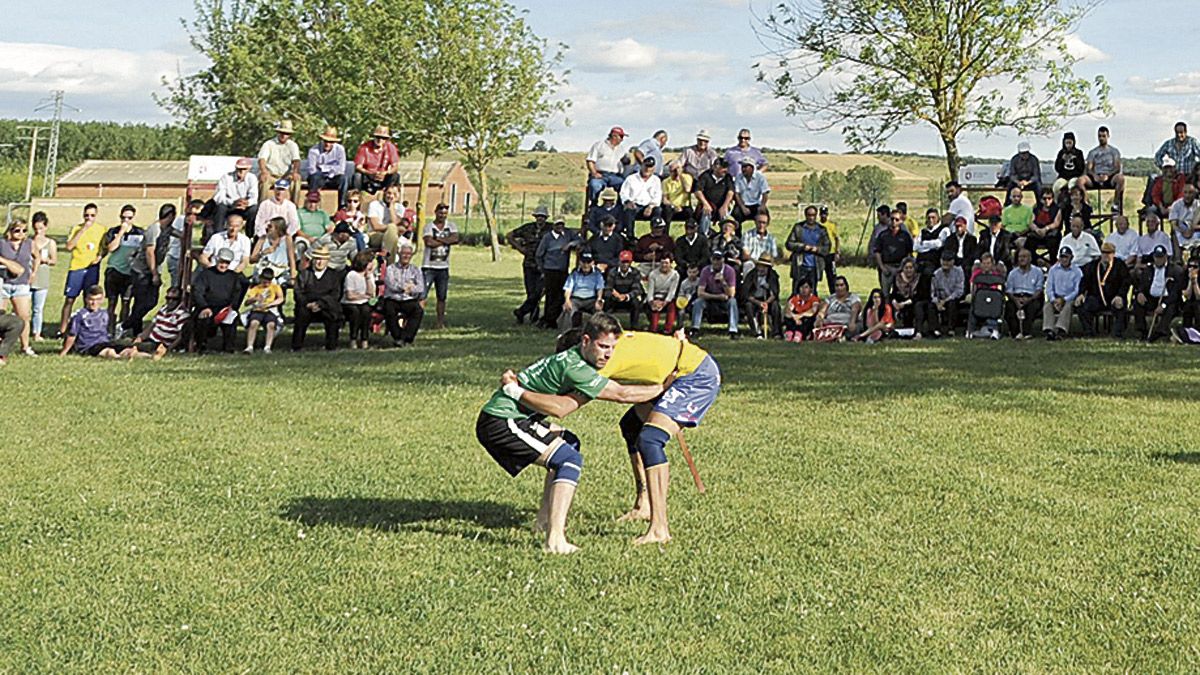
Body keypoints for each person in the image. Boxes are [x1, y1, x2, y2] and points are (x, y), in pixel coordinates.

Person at [477, 312, 669, 553]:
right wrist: (663, 387)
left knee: (569, 443)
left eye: (613, 347)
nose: (608, 354)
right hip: (502, 421)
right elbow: (621, 395)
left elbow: (567, 404)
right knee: (569, 459)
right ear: (586, 341)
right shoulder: (575, 367)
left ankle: (544, 521)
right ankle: (555, 540)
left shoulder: (575, 360)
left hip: (513, 418)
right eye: (602, 346)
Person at [520, 323, 723, 546]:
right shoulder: (609, 342)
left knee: (650, 439)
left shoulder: (598, 362)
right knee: (631, 426)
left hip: (694, 375)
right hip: (672, 372)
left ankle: (659, 529)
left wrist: (521, 396)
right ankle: (643, 505)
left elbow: (568, 404)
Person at [119, 203, 172, 338]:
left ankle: (131, 328)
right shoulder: (154, 229)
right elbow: (149, 252)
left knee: (150, 302)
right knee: (142, 302)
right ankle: (126, 327)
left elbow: (180, 234)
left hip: (153, 270)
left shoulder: (168, 229)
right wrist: (154, 273)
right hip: (142, 271)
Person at [59, 204, 105, 340]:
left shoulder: (101, 229)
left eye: (92, 215)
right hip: (77, 267)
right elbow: (69, 246)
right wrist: (83, 230)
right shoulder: (76, 228)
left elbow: (105, 247)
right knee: (69, 299)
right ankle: (62, 330)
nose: (89, 218)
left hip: (92, 268)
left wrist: (100, 256)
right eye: (86, 215)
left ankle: (86, 328)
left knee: (90, 299)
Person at [99, 204, 143, 333]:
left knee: (126, 302)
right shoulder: (113, 231)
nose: (126, 220)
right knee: (112, 302)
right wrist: (121, 233)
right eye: (124, 217)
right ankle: (109, 328)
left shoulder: (139, 233)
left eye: (129, 218)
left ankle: (122, 329)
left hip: (129, 273)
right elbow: (111, 248)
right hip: (114, 270)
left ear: (133, 217)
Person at [191, 248, 244, 353]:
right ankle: (202, 346)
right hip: (207, 306)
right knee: (203, 317)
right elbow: (197, 292)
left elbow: (237, 294)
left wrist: (231, 307)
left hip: (225, 308)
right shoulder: (206, 274)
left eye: (227, 263)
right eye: (222, 262)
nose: (223, 265)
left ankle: (228, 348)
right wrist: (204, 307)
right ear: (217, 260)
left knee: (232, 317)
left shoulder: (233, 276)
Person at [291, 246, 342, 351]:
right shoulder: (304, 274)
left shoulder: (334, 275)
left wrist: (320, 304)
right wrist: (308, 304)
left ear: (327, 261)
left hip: (326, 306)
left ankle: (331, 346)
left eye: (322, 259)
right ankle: (296, 346)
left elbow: (335, 294)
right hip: (306, 305)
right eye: (317, 259)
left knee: (333, 316)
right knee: (301, 315)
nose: (319, 262)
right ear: (313, 260)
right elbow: (298, 293)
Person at [535, 216, 583, 329]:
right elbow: (539, 254)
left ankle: (550, 318)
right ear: (553, 225)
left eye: (562, 224)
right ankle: (548, 320)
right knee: (551, 296)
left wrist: (570, 244)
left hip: (562, 270)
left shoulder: (567, 234)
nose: (560, 227)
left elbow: (580, 240)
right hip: (550, 270)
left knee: (561, 296)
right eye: (557, 225)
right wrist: (543, 269)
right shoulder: (547, 238)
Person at [1077, 242, 1131, 338]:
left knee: (1121, 308)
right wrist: (1081, 293)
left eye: (1109, 253)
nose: (1106, 255)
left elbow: (1125, 283)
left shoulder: (1120, 265)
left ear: (1113, 253)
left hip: (1114, 297)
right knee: (1083, 306)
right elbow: (1084, 281)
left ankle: (1117, 334)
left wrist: (1120, 295)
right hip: (1097, 298)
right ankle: (1089, 332)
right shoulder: (1093, 266)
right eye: (1103, 253)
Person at [1133, 245, 1184, 342]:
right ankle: (1142, 331)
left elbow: (1175, 293)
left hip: (1167, 300)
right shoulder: (1148, 270)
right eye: (1156, 257)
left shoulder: (1175, 270)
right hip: (1152, 298)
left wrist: (1163, 305)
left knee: (1171, 308)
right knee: (1137, 303)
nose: (1158, 260)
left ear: (1165, 257)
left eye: (1161, 257)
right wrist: (1140, 293)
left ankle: (1160, 332)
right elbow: (1142, 286)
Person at [509, 206, 550, 324]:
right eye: (538, 216)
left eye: (542, 217)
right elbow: (510, 235)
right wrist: (520, 248)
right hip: (529, 264)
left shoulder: (550, 228)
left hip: (543, 265)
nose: (540, 219)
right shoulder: (527, 228)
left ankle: (521, 312)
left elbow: (566, 231)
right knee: (531, 291)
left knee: (539, 292)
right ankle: (533, 316)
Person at [1, 219, 36, 357]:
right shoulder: (2, 243)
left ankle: (25, 346)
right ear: (10, 230)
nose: (21, 233)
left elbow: (37, 257)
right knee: (1, 316)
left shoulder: (29, 244)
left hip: (21, 283)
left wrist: (34, 272)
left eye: (24, 230)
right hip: (3, 283)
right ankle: (3, 347)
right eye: (17, 230)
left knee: (24, 316)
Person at [381, 243, 426, 347]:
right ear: (399, 254)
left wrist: (410, 290)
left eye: (408, 254)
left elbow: (420, 288)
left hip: (408, 299)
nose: (406, 256)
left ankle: (407, 337)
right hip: (393, 299)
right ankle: (397, 337)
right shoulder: (391, 269)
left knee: (418, 310)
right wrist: (405, 287)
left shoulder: (415, 270)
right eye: (404, 253)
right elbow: (391, 284)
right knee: (389, 310)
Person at [422, 203, 459, 329]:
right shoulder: (428, 226)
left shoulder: (451, 225)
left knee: (442, 296)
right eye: (440, 213)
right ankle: (416, 319)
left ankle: (440, 322)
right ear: (435, 212)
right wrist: (445, 240)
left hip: (443, 267)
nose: (442, 215)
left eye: (444, 213)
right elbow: (428, 242)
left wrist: (438, 239)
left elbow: (455, 238)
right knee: (422, 295)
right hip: (429, 266)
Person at [60, 285, 119, 359]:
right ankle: (119, 357)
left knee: (130, 349)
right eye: (91, 299)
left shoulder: (104, 313)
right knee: (109, 352)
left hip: (105, 343)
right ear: (86, 299)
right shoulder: (80, 315)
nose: (94, 303)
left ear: (102, 299)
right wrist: (64, 351)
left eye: (98, 299)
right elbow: (72, 335)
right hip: (89, 346)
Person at [691, 251, 739, 338]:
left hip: (724, 300)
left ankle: (733, 331)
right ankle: (695, 329)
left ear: (723, 260)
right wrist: (717, 297)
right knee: (698, 302)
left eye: (718, 259)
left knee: (733, 302)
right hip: (709, 299)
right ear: (711, 260)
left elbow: (731, 293)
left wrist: (723, 282)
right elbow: (700, 293)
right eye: (714, 259)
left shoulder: (730, 271)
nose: (716, 262)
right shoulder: (705, 271)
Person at [784, 206, 830, 295]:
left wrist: (817, 249)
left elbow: (827, 247)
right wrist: (802, 247)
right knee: (797, 291)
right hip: (800, 264)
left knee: (812, 293)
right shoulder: (798, 228)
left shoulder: (821, 230)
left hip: (815, 266)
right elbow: (789, 244)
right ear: (805, 215)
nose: (811, 217)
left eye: (813, 215)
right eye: (809, 215)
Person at [257, 120, 302, 204]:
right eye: (282, 133)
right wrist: (264, 171)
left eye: (287, 133)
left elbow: (296, 160)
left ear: (289, 135)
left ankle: (294, 207)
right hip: (271, 175)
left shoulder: (293, 145)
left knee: (296, 180)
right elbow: (262, 159)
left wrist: (295, 172)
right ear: (278, 132)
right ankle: (261, 207)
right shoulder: (269, 144)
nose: (284, 135)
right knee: (264, 180)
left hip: (286, 176)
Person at [241, 267, 284, 354]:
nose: (266, 283)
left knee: (271, 325)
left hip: (270, 310)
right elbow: (247, 302)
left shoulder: (275, 287)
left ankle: (267, 347)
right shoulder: (256, 288)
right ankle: (249, 346)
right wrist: (255, 299)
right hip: (257, 310)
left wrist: (271, 304)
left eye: (269, 281)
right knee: (254, 323)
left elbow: (281, 298)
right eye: (265, 281)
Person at [1004, 248, 1045, 340]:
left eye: (1024, 257)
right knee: (1009, 307)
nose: (1021, 259)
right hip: (1016, 297)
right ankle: (1015, 333)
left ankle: (1026, 332)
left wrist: (1028, 300)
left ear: (1030, 258)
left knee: (1032, 307)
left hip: (1032, 297)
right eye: (1019, 257)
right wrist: (1016, 300)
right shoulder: (1012, 273)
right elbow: (1009, 290)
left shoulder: (1038, 272)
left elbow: (1039, 290)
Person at [339, 250, 376, 350]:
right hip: (349, 303)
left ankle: (364, 339)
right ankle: (353, 339)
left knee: (366, 311)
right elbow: (350, 295)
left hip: (363, 303)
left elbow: (371, 293)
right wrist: (364, 296)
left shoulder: (370, 276)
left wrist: (368, 278)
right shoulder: (351, 275)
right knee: (355, 312)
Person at [1043, 246, 1082, 340]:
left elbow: (1077, 290)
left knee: (1068, 306)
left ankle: (1059, 330)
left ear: (1071, 258)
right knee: (1047, 306)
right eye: (1062, 257)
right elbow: (1049, 287)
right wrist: (1053, 300)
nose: (1064, 259)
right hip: (1056, 297)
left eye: (1066, 257)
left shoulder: (1077, 271)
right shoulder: (1053, 270)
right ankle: (1049, 330)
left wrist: (1064, 299)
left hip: (1069, 298)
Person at [306, 125, 351, 206]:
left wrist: (324, 168)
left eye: (330, 142)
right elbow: (312, 170)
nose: (327, 144)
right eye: (326, 141)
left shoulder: (340, 150)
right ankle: (312, 202)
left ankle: (342, 205)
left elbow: (341, 169)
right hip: (318, 178)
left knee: (343, 179)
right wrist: (331, 169)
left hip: (333, 177)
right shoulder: (313, 150)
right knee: (314, 177)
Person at [250, 216, 298, 291]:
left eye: (270, 226)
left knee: (281, 282)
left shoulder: (287, 239)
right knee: (271, 282)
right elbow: (252, 260)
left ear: (278, 229)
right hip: (265, 270)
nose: (267, 228)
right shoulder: (263, 238)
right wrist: (262, 253)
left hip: (281, 269)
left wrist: (293, 277)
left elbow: (291, 259)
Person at [28, 212, 56, 342]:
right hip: (28, 278)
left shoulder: (50, 243)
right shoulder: (28, 241)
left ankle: (36, 333)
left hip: (42, 278)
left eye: (41, 228)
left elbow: (54, 260)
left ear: (46, 227)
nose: (38, 231)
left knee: (37, 308)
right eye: (36, 228)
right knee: (24, 308)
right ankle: (23, 331)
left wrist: (46, 260)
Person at [1082, 126, 1124, 210]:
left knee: (1121, 179)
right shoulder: (1093, 152)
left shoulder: (1114, 151)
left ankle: (1115, 204)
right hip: (1096, 177)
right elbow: (1089, 168)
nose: (1101, 138)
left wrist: (1108, 175)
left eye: (1103, 136)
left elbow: (1117, 167)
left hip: (1109, 177)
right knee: (1080, 181)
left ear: (1108, 136)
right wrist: (1094, 176)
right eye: (1099, 136)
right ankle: (1087, 204)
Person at [874, 210, 913, 301]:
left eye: (896, 219)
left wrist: (905, 269)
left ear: (901, 221)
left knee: (901, 294)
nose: (894, 222)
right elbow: (877, 252)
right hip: (887, 267)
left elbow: (909, 253)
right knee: (885, 294)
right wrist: (882, 267)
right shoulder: (883, 235)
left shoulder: (905, 236)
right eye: (892, 219)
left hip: (901, 268)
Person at [741, 254, 781, 339]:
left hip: (768, 300)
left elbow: (775, 293)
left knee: (775, 306)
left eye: (765, 267)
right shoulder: (751, 275)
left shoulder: (773, 275)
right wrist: (759, 303)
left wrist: (766, 303)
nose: (762, 269)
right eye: (760, 266)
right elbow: (746, 294)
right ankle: (756, 332)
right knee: (748, 306)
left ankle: (776, 332)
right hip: (754, 300)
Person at [619, 157, 663, 235]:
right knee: (628, 211)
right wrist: (628, 202)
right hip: (635, 205)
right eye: (646, 166)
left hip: (649, 206)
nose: (647, 169)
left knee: (658, 210)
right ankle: (630, 237)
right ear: (642, 165)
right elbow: (623, 193)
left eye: (650, 167)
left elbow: (657, 196)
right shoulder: (631, 178)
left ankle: (657, 235)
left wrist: (650, 206)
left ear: (653, 168)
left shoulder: (656, 180)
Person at [213, 157, 259, 230]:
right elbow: (218, 197)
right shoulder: (226, 177)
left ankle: (250, 235)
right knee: (220, 208)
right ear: (235, 168)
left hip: (244, 207)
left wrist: (246, 203)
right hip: (229, 206)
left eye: (244, 169)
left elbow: (254, 197)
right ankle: (217, 234)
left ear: (248, 170)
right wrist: (233, 202)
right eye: (239, 169)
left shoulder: (252, 178)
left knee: (254, 209)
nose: (241, 171)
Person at [352, 125, 400, 195]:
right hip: (368, 176)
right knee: (357, 176)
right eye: (378, 137)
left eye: (383, 138)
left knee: (395, 176)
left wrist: (386, 173)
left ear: (387, 139)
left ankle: (390, 198)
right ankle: (356, 198)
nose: (380, 140)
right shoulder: (364, 147)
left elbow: (395, 166)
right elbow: (358, 166)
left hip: (383, 176)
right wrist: (370, 173)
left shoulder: (391, 147)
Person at [586, 126, 627, 205]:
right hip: (601, 174)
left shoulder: (621, 149)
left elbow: (626, 162)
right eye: (621, 136)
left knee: (624, 186)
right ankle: (594, 206)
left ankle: (620, 207)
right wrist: (594, 173)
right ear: (614, 136)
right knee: (595, 185)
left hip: (616, 176)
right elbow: (590, 160)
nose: (622, 139)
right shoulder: (599, 145)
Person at [563, 252, 606, 328]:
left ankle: (598, 333)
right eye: (584, 262)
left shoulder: (597, 274)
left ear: (592, 263)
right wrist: (567, 300)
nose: (586, 264)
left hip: (591, 299)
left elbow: (600, 288)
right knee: (568, 309)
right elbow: (568, 288)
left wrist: (599, 299)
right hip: (576, 299)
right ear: (580, 262)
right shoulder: (574, 273)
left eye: (588, 262)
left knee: (599, 312)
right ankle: (566, 333)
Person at [692, 158, 735, 233]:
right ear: (715, 167)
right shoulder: (705, 175)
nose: (725, 170)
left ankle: (725, 237)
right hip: (708, 204)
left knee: (725, 215)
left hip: (722, 205)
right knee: (706, 212)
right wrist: (705, 203)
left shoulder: (728, 177)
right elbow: (698, 190)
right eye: (723, 167)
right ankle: (705, 236)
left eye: (726, 167)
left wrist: (725, 206)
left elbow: (730, 191)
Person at [929, 249, 965, 338]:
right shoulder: (936, 274)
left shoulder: (959, 272)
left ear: (953, 261)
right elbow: (932, 292)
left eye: (948, 261)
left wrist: (945, 301)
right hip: (940, 298)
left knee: (952, 304)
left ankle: (950, 329)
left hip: (953, 298)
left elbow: (959, 291)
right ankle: (935, 330)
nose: (945, 263)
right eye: (943, 260)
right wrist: (937, 302)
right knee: (931, 305)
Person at [604, 250, 643, 328]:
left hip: (628, 298)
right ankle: (607, 327)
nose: (625, 264)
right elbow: (608, 288)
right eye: (623, 262)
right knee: (607, 301)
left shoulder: (635, 272)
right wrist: (616, 295)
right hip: (615, 298)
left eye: (627, 262)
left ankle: (634, 327)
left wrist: (626, 296)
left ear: (630, 262)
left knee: (636, 302)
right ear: (619, 261)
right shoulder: (612, 272)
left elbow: (636, 289)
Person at [365, 184, 408, 255]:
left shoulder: (400, 208)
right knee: (393, 232)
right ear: (384, 192)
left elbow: (395, 222)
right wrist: (391, 227)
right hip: (375, 235)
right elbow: (376, 226)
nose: (391, 196)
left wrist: (391, 206)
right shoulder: (374, 204)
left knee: (399, 241)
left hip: (393, 236)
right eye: (389, 193)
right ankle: (388, 261)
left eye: (394, 194)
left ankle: (386, 259)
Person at [913, 207, 949, 287]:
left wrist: (924, 244)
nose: (930, 220)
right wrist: (931, 245)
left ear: (938, 219)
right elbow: (915, 247)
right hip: (920, 262)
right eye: (928, 218)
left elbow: (939, 244)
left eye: (933, 217)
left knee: (927, 274)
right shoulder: (923, 231)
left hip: (934, 262)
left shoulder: (944, 230)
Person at [1026, 188, 1063, 263]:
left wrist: (1046, 229)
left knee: (1053, 244)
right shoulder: (1036, 208)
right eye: (1044, 198)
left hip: (1051, 233)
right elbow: (1030, 222)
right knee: (1029, 243)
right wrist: (1037, 229)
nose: (1047, 201)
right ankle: (1034, 263)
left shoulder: (1057, 209)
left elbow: (1056, 223)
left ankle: (1052, 264)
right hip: (1037, 232)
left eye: (1049, 198)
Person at [889, 258, 924, 337]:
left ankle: (916, 331)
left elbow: (919, 295)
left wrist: (904, 303)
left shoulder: (919, 278)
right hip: (899, 301)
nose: (909, 270)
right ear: (903, 268)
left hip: (912, 302)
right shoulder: (897, 278)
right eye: (906, 268)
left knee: (917, 307)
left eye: (911, 268)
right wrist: (894, 302)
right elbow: (893, 293)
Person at [646, 255, 680, 334]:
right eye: (662, 263)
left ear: (671, 264)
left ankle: (668, 329)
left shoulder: (675, 275)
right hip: (656, 297)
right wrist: (652, 302)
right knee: (654, 310)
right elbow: (650, 291)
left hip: (667, 298)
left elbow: (672, 292)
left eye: (666, 263)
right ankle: (653, 329)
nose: (664, 265)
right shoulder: (653, 274)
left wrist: (664, 303)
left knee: (671, 307)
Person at [731, 157, 770, 226]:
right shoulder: (738, 177)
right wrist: (743, 207)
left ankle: (761, 234)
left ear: (752, 167)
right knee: (736, 215)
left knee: (764, 216)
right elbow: (737, 194)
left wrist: (762, 206)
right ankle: (737, 235)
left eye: (746, 167)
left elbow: (765, 193)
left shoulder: (760, 177)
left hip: (756, 204)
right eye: (742, 166)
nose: (743, 169)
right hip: (743, 204)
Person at [782, 278, 819, 342]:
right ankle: (790, 332)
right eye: (801, 287)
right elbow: (787, 310)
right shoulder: (795, 298)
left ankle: (800, 334)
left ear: (811, 289)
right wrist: (794, 317)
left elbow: (813, 311)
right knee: (788, 317)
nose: (804, 290)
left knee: (807, 319)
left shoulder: (814, 299)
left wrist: (800, 316)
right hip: (795, 318)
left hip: (805, 318)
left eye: (806, 287)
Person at [660, 160, 694, 229]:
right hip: (671, 206)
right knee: (667, 211)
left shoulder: (687, 177)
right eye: (673, 171)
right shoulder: (666, 181)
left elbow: (687, 189)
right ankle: (665, 234)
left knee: (689, 213)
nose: (675, 173)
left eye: (677, 170)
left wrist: (680, 176)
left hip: (684, 206)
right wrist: (673, 206)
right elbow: (665, 199)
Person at [819, 206, 841, 293]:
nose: (823, 216)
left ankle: (834, 293)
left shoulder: (831, 225)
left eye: (825, 214)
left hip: (830, 254)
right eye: (822, 214)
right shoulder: (818, 226)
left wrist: (837, 252)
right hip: (820, 254)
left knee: (832, 276)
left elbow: (837, 238)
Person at [1181, 255, 1200, 330]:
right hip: (1187, 301)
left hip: (1198, 301)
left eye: (1195, 267)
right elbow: (1186, 296)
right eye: (1190, 266)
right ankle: (1186, 330)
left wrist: (1195, 282)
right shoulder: (1184, 275)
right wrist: (1190, 281)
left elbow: (1198, 296)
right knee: (1188, 306)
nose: (1192, 269)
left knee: (1198, 306)